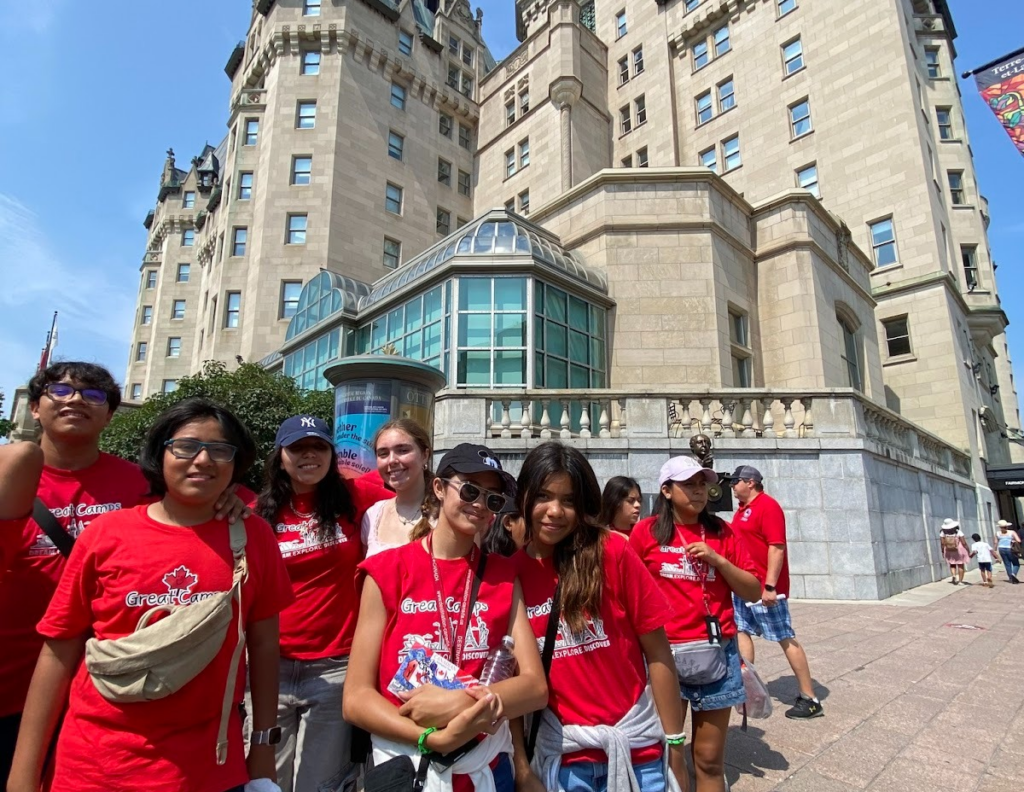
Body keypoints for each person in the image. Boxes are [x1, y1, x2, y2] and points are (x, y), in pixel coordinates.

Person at [8, 398, 294, 792]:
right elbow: (58, 652)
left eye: (220, 450)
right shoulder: (106, 534)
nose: (203, 460)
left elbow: (263, 646)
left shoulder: (253, 537)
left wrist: (262, 749)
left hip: (209, 770)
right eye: (186, 447)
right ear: (159, 454)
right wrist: (23, 774)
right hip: (93, 767)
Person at [345, 443, 547, 790]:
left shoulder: (502, 575)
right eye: (470, 490)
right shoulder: (385, 571)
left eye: (493, 499)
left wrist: (461, 701)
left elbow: (535, 687)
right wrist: (429, 737)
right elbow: (356, 698)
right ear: (439, 488)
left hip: (485, 768)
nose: (481, 505)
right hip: (406, 768)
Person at [513, 442, 687, 792]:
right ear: (525, 497)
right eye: (544, 496)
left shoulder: (614, 551)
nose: (555, 511)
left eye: (569, 500)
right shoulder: (510, 575)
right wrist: (521, 768)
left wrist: (677, 748)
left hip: (640, 753)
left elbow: (658, 652)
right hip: (565, 762)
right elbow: (512, 681)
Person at [254, 415, 390, 792]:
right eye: (298, 447)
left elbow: (415, 497)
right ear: (280, 456)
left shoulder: (357, 497)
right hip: (269, 670)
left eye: (318, 447)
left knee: (321, 785)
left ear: (332, 454)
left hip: (335, 669)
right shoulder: (255, 511)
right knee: (265, 781)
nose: (309, 455)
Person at [630, 457, 761, 792]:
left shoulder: (722, 531)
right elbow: (626, 590)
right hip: (663, 658)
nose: (699, 491)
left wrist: (718, 560)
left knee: (708, 759)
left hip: (717, 654)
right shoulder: (645, 532)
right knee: (665, 756)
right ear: (667, 490)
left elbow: (753, 589)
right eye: (689, 484)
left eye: (702, 484)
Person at [728, 465, 823, 720]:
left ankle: (810, 698)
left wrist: (770, 585)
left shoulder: (767, 507)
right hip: (744, 585)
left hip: (765, 588)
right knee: (741, 632)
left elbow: (776, 547)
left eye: (735, 481)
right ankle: (749, 688)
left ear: (750, 482)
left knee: (784, 636)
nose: (731, 486)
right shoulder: (742, 511)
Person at [361, 419, 434, 557]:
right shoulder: (373, 516)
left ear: (425, 455)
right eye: (383, 453)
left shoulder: (447, 513)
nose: (392, 460)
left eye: (402, 450)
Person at [939, 518, 971, 585]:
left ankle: (953, 575)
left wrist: (942, 551)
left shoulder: (943, 532)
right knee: (960, 565)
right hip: (958, 549)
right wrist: (968, 550)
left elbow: (942, 543)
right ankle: (960, 581)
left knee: (952, 563)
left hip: (948, 550)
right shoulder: (958, 532)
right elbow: (964, 543)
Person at [995, 519, 1021, 584]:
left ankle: (1010, 578)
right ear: (1007, 526)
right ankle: (1013, 574)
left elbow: (995, 543)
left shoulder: (997, 533)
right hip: (1010, 549)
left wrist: (995, 551)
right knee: (1016, 563)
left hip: (1001, 549)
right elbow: (1018, 540)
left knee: (1007, 564)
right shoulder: (1012, 532)